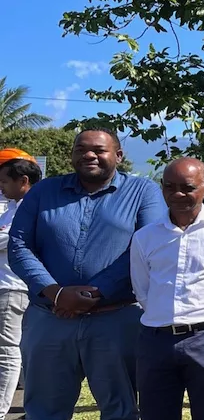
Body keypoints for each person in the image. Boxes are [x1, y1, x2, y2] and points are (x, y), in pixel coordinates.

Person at [9, 128, 166, 420]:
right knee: (43, 412)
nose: (89, 155)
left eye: (99, 150)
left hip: (115, 319)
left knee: (120, 411)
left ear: (119, 156)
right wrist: (56, 292)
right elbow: (19, 245)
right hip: (49, 319)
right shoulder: (45, 191)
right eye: (80, 149)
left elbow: (147, 247)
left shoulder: (143, 192)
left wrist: (95, 292)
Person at [130, 158, 204, 420]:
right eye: (169, 187)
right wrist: (164, 318)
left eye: (187, 188)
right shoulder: (144, 237)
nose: (178, 194)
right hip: (156, 341)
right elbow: (142, 289)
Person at [0, 151, 40, 419]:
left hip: (12, 287)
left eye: (4, 181)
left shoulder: (29, 210)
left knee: (7, 351)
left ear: (23, 181)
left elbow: (10, 241)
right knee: (16, 348)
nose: (1, 187)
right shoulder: (12, 208)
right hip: (5, 285)